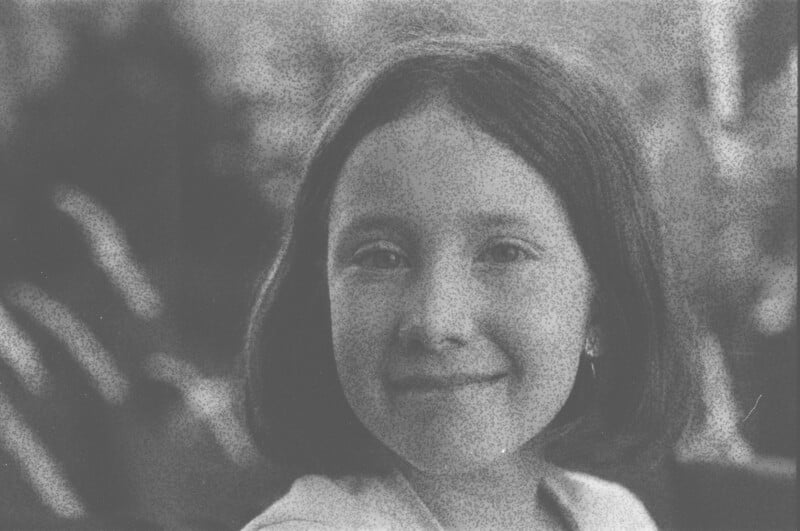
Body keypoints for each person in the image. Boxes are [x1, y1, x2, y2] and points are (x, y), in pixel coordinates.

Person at [242, 36, 698, 530]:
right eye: (381, 257)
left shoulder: (614, 518)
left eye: (504, 252)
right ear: (322, 300)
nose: (436, 321)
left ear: (603, 309)